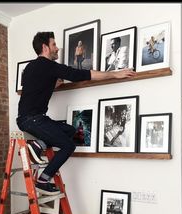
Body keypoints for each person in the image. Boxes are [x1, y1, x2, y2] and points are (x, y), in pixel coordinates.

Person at [16, 31, 137, 196]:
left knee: (70, 130)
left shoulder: (30, 67)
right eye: (53, 45)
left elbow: (35, 88)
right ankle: (43, 180)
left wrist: (52, 85)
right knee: (69, 145)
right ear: (45, 47)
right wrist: (114, 74)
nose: (57, 48)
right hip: (33, 120)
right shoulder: (49, 66)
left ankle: (38, 145)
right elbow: (82, 75)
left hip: (29, 118)